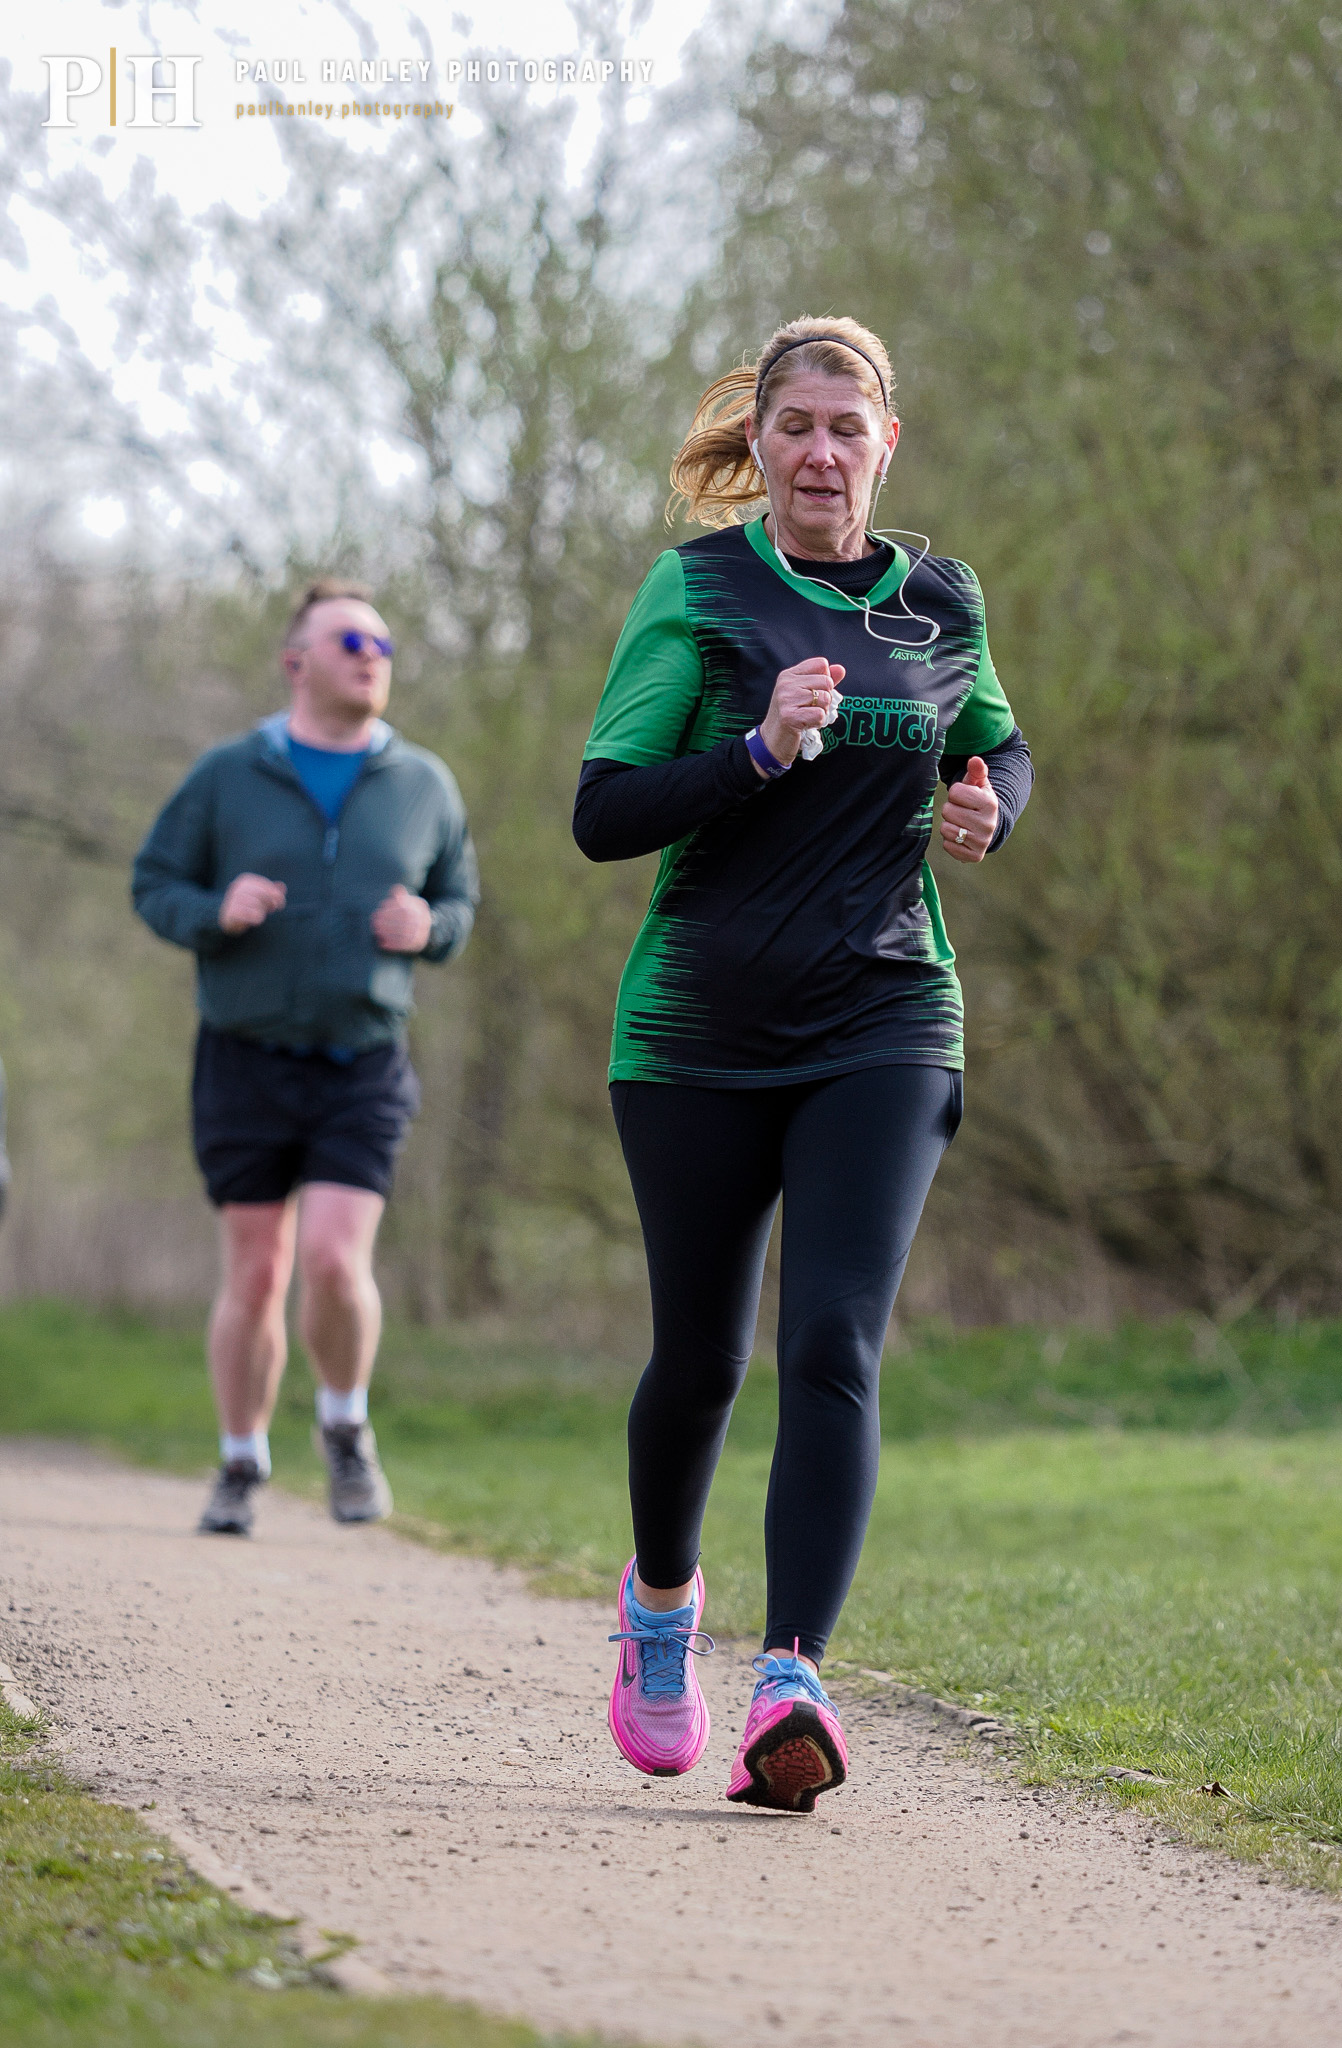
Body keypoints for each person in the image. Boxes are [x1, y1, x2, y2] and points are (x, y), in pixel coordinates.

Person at [573, 317, 1032, 1811]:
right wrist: (757, 751)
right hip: (699, 1029)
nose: (824, 451)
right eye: (798, 426)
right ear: (758, 444)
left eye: (851, 425)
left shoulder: (940, 599)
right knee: (702, 1361)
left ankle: (794, 1677)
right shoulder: (698, 589)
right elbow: (605, 812)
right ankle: (659, 1609)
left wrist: (988, 806)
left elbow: (998, 748)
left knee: (833, 1341)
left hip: (888, 1019)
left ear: (885, 444)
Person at [133, 580, 478, 1538]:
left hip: (363, 1057)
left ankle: (344, 1424)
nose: (375, 653)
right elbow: (154, 881)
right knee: (254, 1271)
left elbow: (459, 902)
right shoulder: (226, 774)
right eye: (351, 639)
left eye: (385, 641)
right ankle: (241, 1462)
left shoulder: (423, 784)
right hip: (243, 1054)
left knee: (331, 1258)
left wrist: (431, 926)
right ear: (298, 663)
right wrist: (213, 912)